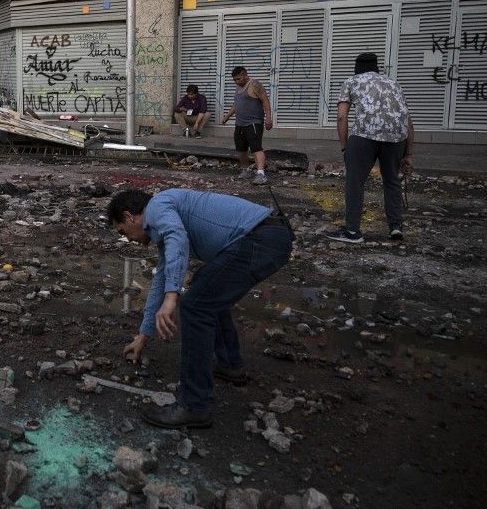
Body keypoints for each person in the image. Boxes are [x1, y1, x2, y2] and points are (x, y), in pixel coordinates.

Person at [108, 188, 292, 429]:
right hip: (267, 237)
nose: (128, 239)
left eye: (123, 232)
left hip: (259, 239)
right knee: (206, 292)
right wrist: (144, 335)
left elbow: (177, 237)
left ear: (130, 216)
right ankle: (230, 365)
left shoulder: (157, 207)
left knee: (195, 305)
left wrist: (172, 298)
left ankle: (193, 405)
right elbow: (162, 276)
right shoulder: (164, 214)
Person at [327, 53, 415, 244]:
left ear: (357, 67)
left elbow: (342, 117)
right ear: (376, 67)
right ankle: (395, 227)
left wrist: (344, 147)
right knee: (392, 181)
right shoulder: (393, 83)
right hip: (396, 138)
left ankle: (352, 231)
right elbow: (408, 121)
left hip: (364, 137)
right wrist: (408, 153)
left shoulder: (351, 81)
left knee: (355, 182)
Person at [220, 66, 273, 185]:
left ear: (245, 74)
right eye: (235, 80)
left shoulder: (255, 84)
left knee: (256, 147)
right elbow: (236, 104)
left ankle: (260, 174)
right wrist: (227, 116)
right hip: (240, 123)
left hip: (253, 122)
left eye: (238, 79)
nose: (237, 82)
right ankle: (245, 170)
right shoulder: (238, 87)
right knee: (241, 148)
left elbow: (265, 100)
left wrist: (268, 118)